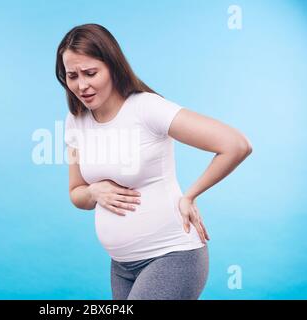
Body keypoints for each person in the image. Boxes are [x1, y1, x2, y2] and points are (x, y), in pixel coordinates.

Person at [55, 23, 252, 300]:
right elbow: (76, 193)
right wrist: (93, 191)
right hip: (121, 267)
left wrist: (190, 196)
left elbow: (235, 145)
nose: (81, 85)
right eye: (72, 76)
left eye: (90, 73)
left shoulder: (146, 108)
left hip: (172, 256)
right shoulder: (75, 122)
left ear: (112, 66)